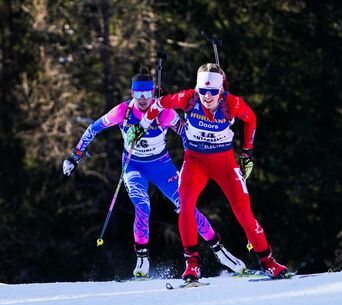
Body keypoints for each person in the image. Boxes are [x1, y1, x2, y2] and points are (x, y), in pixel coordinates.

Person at [63, 67, 246, 278]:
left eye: (147, 94)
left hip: (162, 165)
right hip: (133, 166)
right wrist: (75, 156)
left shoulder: (165, 112)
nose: (143, 99)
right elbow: (93, 128)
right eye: (138, 94)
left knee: (187, 207)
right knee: (142, 205)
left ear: (153, 93)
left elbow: (186, 133)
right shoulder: (123, 112)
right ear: (132, 93)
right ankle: (142, 259)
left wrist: (195, 157)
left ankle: (221, 252)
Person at [139, 63, 288, 280]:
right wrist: (145, 121)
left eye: (213, 92)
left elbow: (251, 119)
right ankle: (192, 263)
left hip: (224, 164)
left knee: (244, 213)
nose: (207, 97)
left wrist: (247, 152)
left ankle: (268, 261)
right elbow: (159, 104)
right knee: (186, 206)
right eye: (203, 91)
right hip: (195, 162)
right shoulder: (188, 98)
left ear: (221, 90)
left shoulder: (232, 103)